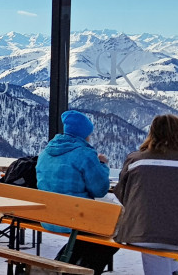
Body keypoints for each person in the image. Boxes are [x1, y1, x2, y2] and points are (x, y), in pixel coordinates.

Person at [113, 114, 178, 275]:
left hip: (138, 232)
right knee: (165, 249)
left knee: (156, 247)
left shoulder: (134, 160)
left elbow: (123, 194)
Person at [35, 110, 118, 274]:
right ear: (84, 133)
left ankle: (63, 265)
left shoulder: (46, 152)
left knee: (88, 236)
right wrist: (102, 164)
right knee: (113, 234)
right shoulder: (85, 154)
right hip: (75, 219)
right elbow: (100, 190)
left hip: (47, 217)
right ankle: (82, 270)